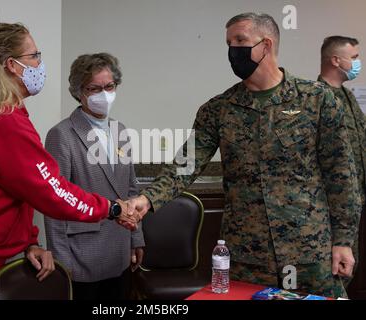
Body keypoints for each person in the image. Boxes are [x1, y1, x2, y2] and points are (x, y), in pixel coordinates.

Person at [124, 13, 362, 298]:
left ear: (266, 45)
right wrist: (147, 199)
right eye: (228, 43)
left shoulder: (317, 99)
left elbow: (342, 176)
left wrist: (344, 241)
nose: (232, 50)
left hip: (309, 250)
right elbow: (185, 164)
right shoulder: (219, 109)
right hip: (247, 255)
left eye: (240, 41)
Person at [0, 23, 133, 300]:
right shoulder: (2, 119)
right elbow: (51, 191)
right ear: (12, 65)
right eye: (34, 56)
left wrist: (29, 242)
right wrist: (110, 208)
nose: (40, 63)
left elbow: (16, 188)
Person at [44, 53, 144, 300]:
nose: (104, 94)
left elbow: (131, 188)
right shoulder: (61, 135)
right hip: (81, 255)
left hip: (119, 250)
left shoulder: (120, 130)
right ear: (79, 92)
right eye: (94, 88)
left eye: (109, 86)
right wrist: (61, 260)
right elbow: (55, 202)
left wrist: (136, 237)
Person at [318, 36, 365, 286]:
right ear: (336, 60)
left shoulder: (347, 97)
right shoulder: (317, 99)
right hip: (329, 208)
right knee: (333, 275)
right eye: (354, 57)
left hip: (352, 204)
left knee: (346, 272)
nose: (358, 63)